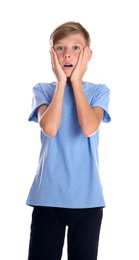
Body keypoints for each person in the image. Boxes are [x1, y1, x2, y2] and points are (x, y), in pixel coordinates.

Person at [26, 21, 111, 260]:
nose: (67, 54)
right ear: (52, 54)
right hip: (47, 199)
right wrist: (62, 82)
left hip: (87, 201)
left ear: (88, 54)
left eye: (76, 48)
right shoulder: (43, 89)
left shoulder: (98, 91)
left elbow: (88, 127)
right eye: (60, 48)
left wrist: (76, 82)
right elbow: (50, 128)